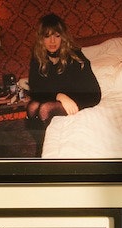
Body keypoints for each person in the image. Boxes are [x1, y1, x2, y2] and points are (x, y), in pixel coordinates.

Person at [26, 14, 101, 154]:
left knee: (45, 109)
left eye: (57, 36)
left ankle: (44, 151)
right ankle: (41, 145)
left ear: (63, 37)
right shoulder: (38, 57)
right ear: (41, 39)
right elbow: (35, 89)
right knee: (32, 106)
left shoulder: (75, 56)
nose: (52, 41)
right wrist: (59, 96)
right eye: (47, 36)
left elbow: (93, 92)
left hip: (81, 98)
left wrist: (65, 98)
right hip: (60, 98)